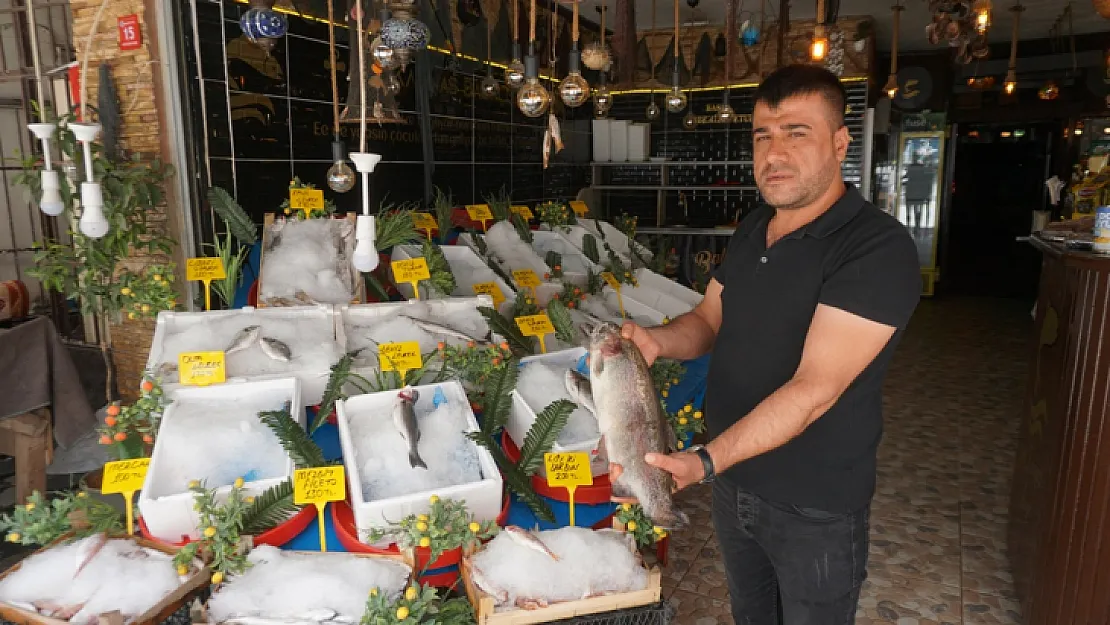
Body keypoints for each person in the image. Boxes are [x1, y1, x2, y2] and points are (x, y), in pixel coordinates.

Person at [614, 65, 921, 624]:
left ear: (839, 141)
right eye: (763, 135)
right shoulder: (756, 225)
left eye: (796, 132)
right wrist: (655, 342)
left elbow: (814, 390)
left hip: (815, 504)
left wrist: (705, 461)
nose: (774, 153)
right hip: (737, 488)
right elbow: (710, 318)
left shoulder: (876, 248)